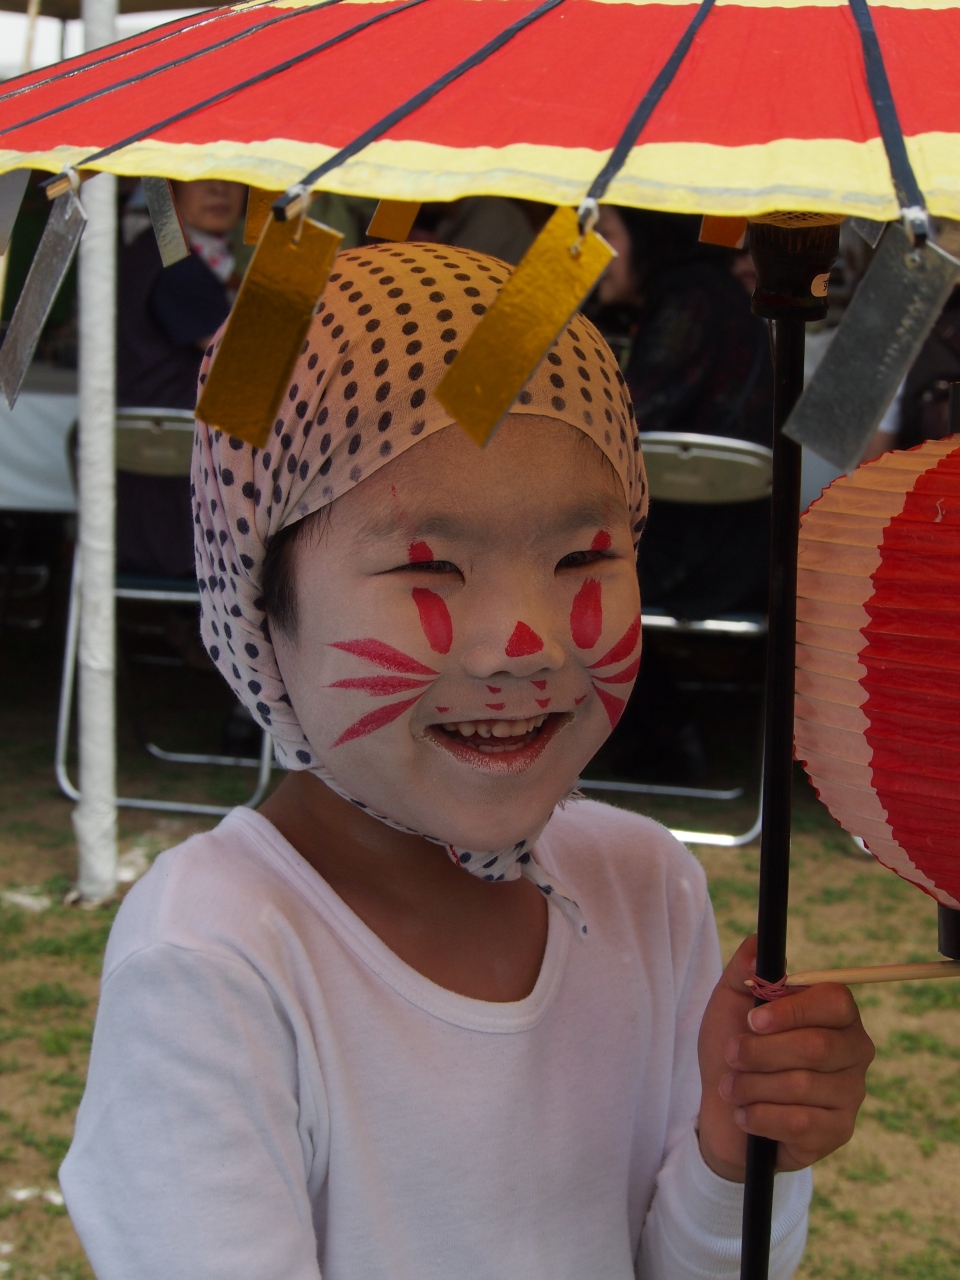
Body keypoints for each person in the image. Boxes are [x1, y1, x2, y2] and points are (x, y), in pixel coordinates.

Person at [61, 242, 873, 1280]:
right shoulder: (212, 959)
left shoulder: (649, 887)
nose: (522, 643)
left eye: (584, 554)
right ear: (257, 602)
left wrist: (734, 1147)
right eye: (429, 565)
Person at [115, 178, 246, 580]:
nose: (219, 191)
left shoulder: (160, 248)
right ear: (170, 188)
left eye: (232, 179)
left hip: (146, 508)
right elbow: (245, 362)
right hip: (177, 517)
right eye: (202, 178)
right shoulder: (173, 259)